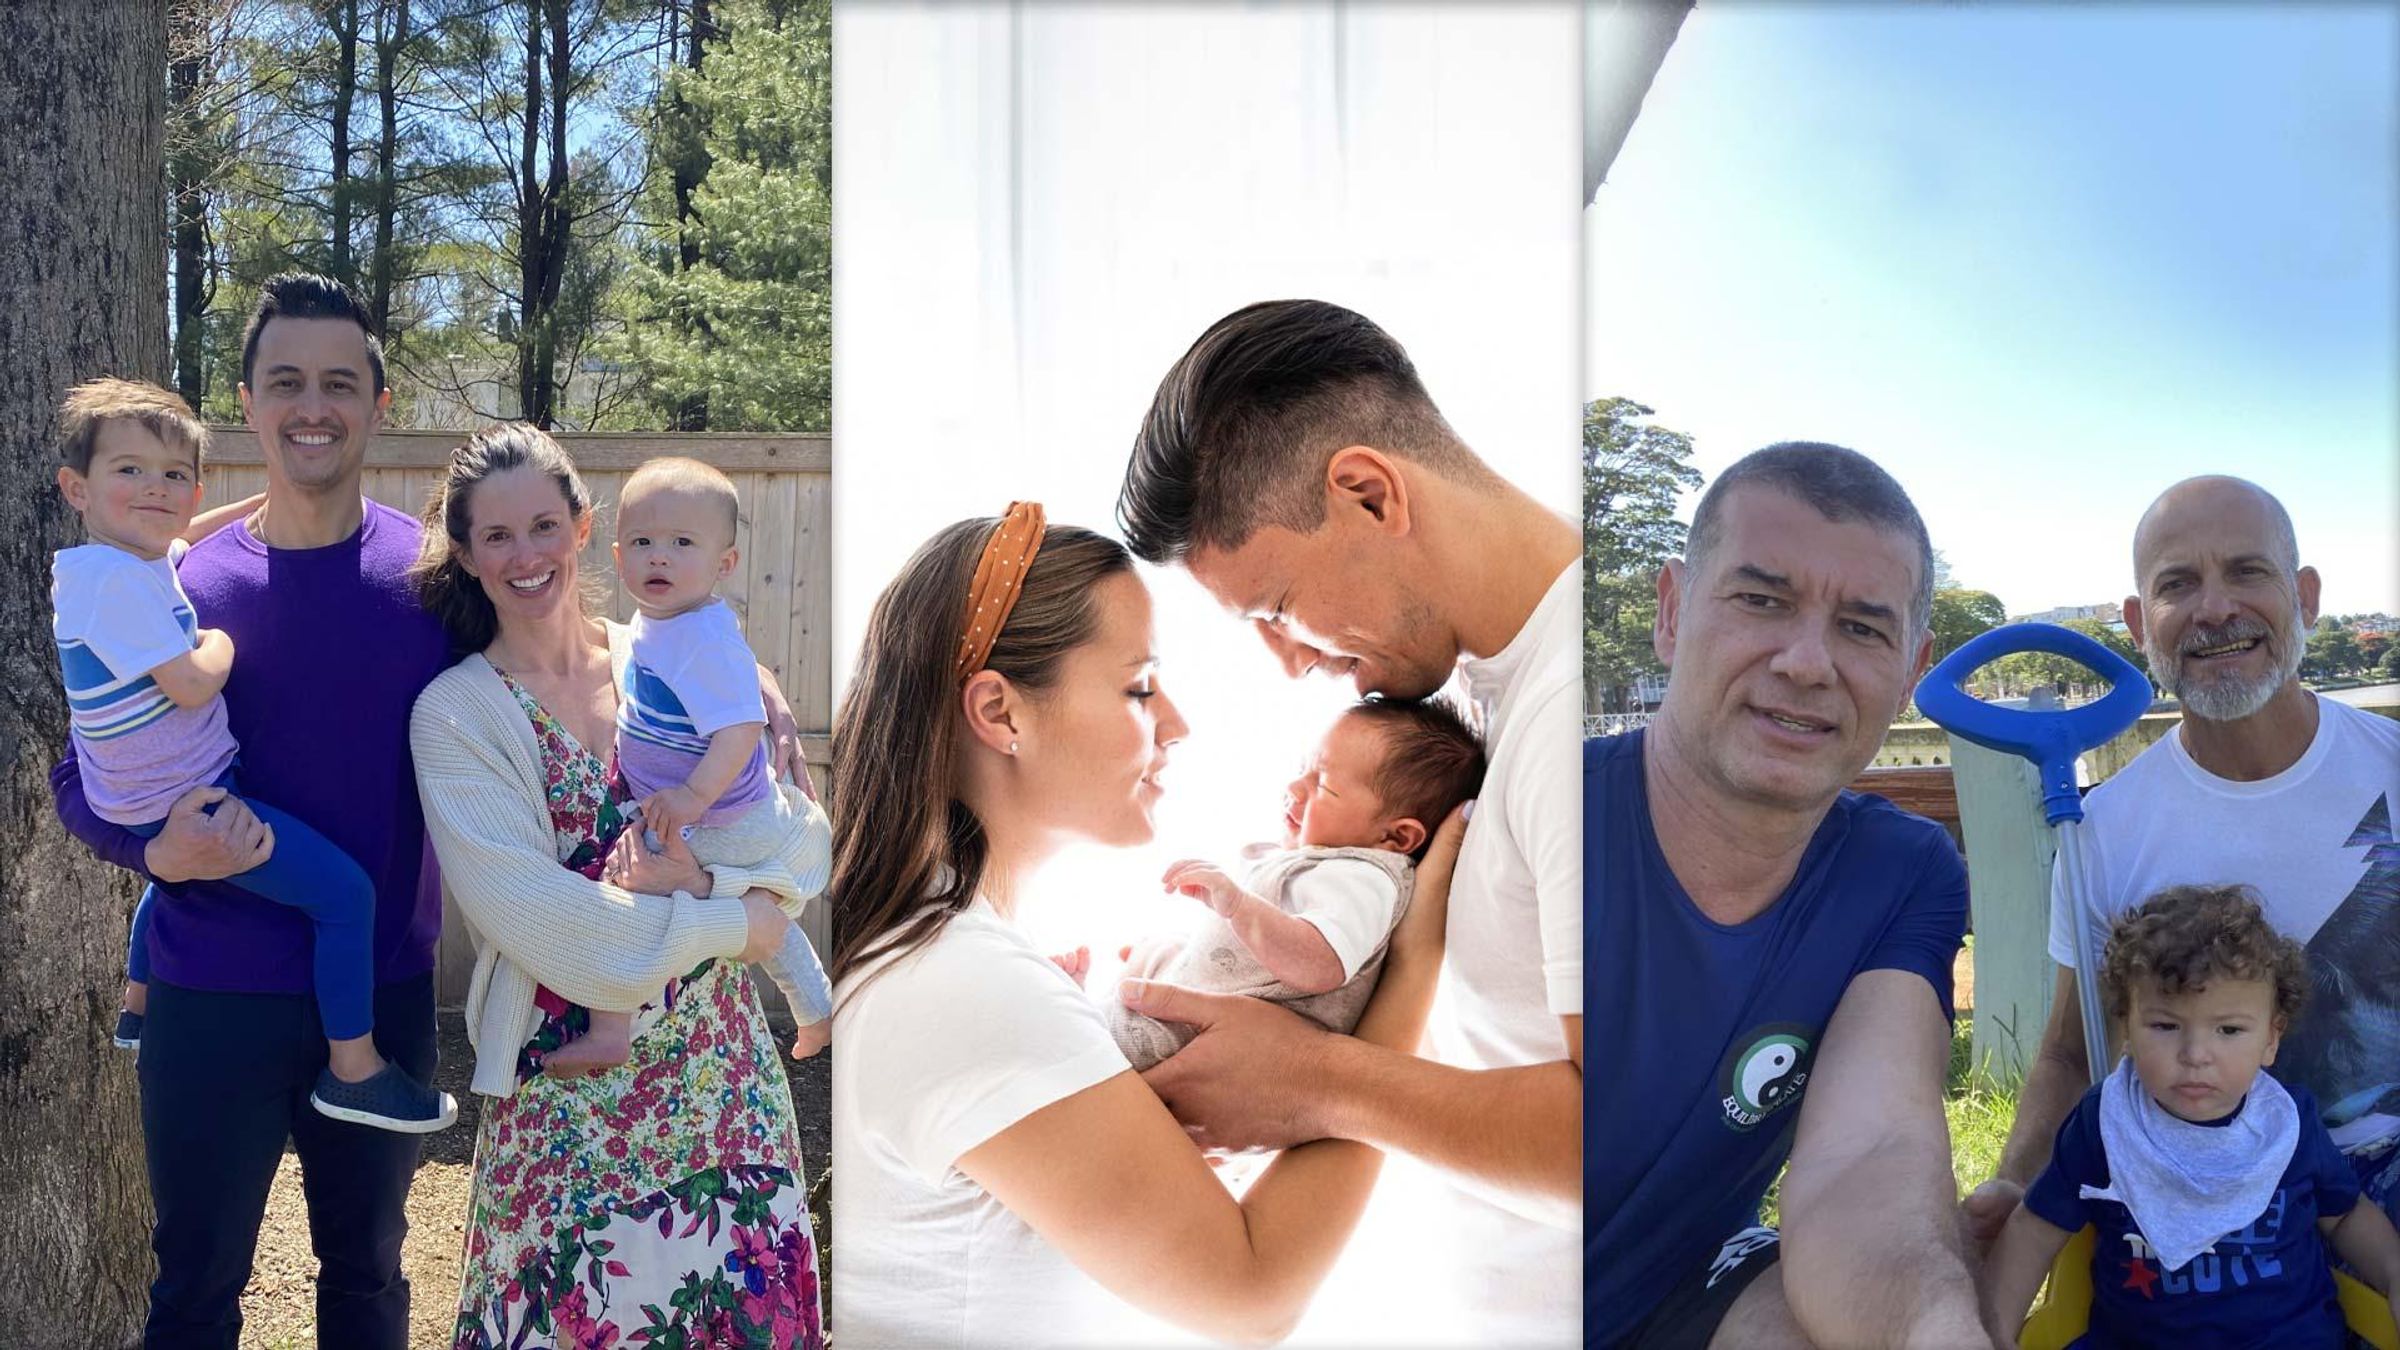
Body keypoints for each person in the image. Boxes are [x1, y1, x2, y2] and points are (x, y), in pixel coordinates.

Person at [828, 505, 1466, 1347]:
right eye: (1138, 687)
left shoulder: (947, 956)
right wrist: (1411, 971)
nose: (1176, 724)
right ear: (1002, 713)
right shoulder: (966, 985)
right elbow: (1254, 1298)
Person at [1113, 298, 1583, 1341]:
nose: (1293, 661)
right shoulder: (1489, 703)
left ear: (1369, 495)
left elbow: (1630, 1129)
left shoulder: (1569, 724)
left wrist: (1316, 1082)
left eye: (1276, 609)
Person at [50, 273, 456, 1348]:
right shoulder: (172, 582)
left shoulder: (435, 581)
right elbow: (73, 775)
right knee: (192, 1291)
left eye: (337, 381)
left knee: (367, 1280)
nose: (310, 405)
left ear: (377, 402)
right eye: (285, 381)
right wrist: (153, 851)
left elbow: (561, 692)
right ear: (247, 401)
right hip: (207, 992)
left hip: (378, 986)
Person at [405, 423, 830, 1348]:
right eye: (498, 536)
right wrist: (737, 923)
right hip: (567, 1112)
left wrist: (717, 880)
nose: (527, 556)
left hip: (720, 1097)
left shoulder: (685, 659)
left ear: (584, 527)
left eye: (544, 526)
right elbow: (548, 926)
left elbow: (802, 847)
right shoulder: (458, 716)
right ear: (468, 554)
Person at [1586, 443, 1986, 1348]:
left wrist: (1935, 1332)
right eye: (1761, 600)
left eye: (1862, 627)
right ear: (1672, 610)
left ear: (1912, 665)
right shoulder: (1523, 821)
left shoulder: (1903, 874)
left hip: (1674, 1287)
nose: (1808, 663)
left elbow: (1868, 1160)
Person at [1969, 477, 2400, 1245]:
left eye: (2246, 571)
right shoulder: (2105, 830)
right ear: (2141, 623)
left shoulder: (2392, 767)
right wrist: (2016, 1182)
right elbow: (2074, 1051)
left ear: (2304, 597)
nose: (2213, 608)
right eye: (2178, 584)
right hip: (2219, 1228)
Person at [49, 375, 452, 1131]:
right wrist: (223, 642)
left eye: (173, 475)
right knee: (345, 897)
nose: (154, 488)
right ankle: (355, 1067)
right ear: (76, 487)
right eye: (128, 470)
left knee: (162, 882)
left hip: (148, 793)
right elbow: (193, 684)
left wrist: (251, 514)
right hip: (187, 799)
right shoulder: (120, 589)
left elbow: (182, 539)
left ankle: (136, 1004)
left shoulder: (111, 567)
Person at [1984, 885, 2400, 1346]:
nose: (2195, 1054)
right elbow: (2035, 1227)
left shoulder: (2287, 1124)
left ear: (2271, 1038)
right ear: (2126, 1027)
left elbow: (2343, 1217)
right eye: (2165, 1025)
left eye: (2228, 1030)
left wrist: (2394, 1273)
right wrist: (1991, 1333)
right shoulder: (2107, 1122)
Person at [539, 455, 834, 1074]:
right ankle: (816, 1009)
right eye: (643, 542)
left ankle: (611, 1028)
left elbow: (741, 727)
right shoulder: (661, 625)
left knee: (624, 888)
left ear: (724, 565)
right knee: (763, 913)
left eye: (681, 543)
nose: (659, 558)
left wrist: (692, 798)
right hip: (706, 808)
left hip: (717, 814)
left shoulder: (703, 636)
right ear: (618, 558)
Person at [1106, 696, 1484, 1069]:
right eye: (1303, 769)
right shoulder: (1330, 867)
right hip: (1201, 1019)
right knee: (1156, 953)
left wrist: (1238, 906)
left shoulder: (1365, 878)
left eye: (1322, 784)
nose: (1295, 787)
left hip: (1208, 1046)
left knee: (1098, 1042)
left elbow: (1321, 964)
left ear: (1396, 839)